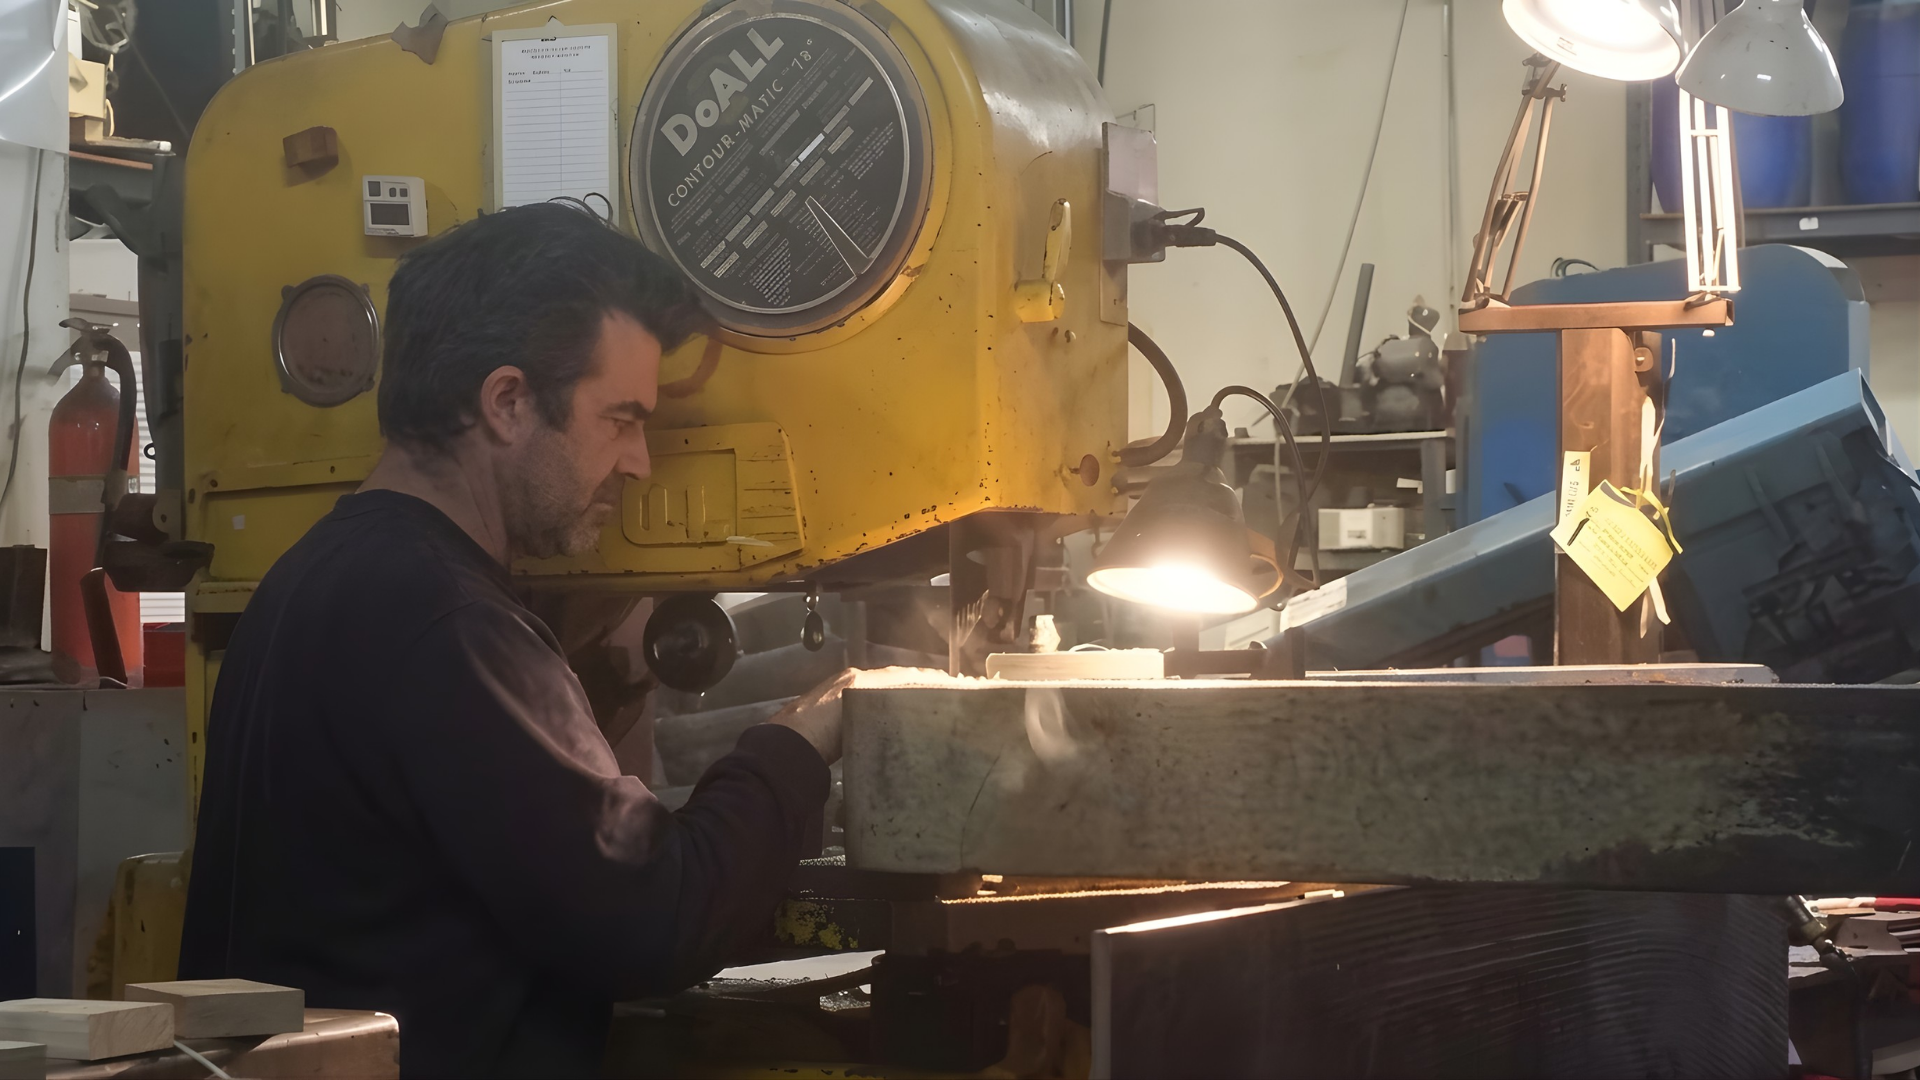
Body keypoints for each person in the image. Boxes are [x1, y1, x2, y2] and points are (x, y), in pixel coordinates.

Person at [180, 204, 855, 1078]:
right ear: (507, 403)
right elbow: (653, 918)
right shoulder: (452, 624)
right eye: (621, 419)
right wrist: (799, 742)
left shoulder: (316, 576)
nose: (640, 462)